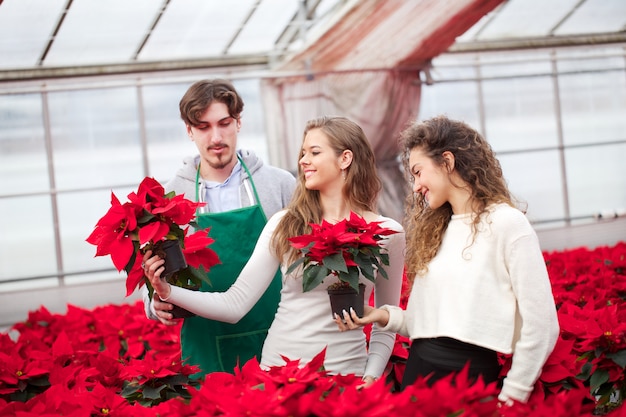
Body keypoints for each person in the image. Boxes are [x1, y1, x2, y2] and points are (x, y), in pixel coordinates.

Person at [143, 116, 406, 385]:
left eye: (314, 152)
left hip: (349, 376)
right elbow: (234, 304)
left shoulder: (388, 233)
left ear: (345, 159)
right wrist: (167, 291)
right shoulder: (285, 224)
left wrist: (372, 376)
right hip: (280, 377)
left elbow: (385, 322)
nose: (303, 161)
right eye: (302, 153)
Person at [337, 115, 559, 404]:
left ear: (447, 162)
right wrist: (383, 316)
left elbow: (543, 326)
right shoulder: (438, 230)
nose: (415, 186)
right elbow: (426, 325)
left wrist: (513, 395)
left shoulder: (508, 224)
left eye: (418, 172)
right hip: (419, 374)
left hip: (471, 379)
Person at [141, 79, 296, 376]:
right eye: (203, 127)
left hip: (278, 334)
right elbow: (150, 268)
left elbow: (307, 256)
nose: (216, 137)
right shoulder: (171, 198)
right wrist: (153, 304)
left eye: (224, 123)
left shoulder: (278, 185)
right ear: (189, 131)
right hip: (205, 343)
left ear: (238, 123)